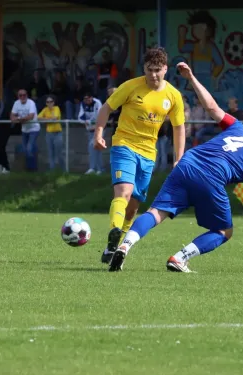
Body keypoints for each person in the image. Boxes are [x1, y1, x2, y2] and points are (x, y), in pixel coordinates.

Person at [108, 62, 243, 272]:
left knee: (156, 213)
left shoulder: (239, 127)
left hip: (188, 162)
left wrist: (191, 78)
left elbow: (211, 107)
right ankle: (180, 258)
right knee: (223, 231)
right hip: (211, 178)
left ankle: (125, 245)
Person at [92, 47, 186, 264]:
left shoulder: (173, 95)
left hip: (148, 153)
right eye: (149, 69)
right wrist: (98, 134)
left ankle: (113, 246)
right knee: (123, 193)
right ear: (144, 68)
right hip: (124, 145)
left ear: (165, 69)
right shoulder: (131, 86)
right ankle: (114, 230)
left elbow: (179, 127)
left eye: (157, 70)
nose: (153, 74)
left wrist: (178, 158)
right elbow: (106, 108)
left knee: (133, 206)